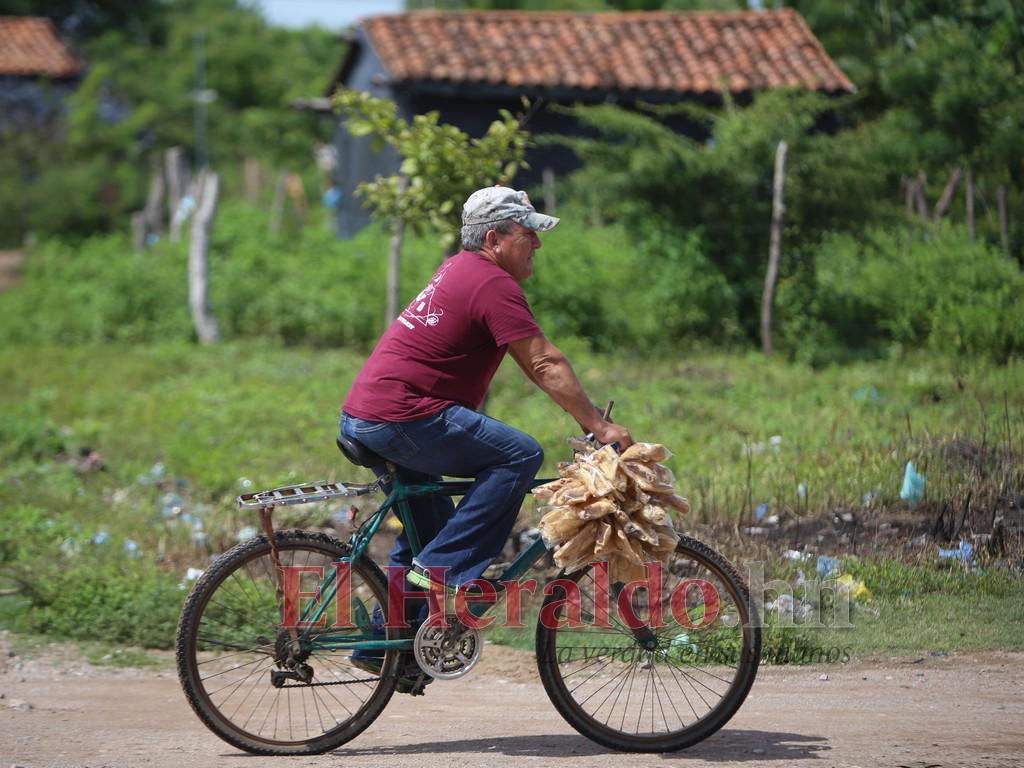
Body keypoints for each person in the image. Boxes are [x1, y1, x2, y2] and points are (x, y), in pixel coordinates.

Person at [340, 186, 633, 598]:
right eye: (527, 233)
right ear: (494, 239)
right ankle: (443, 570)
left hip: (372, 415)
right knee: (519, 455)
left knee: (430, 532)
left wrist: (589, 416)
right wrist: (600, 428)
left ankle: (394, 635)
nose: (537, 243)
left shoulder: (459, 268)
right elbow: (543, 363)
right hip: (403, 416)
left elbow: (533, 363)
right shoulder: (492, 283)